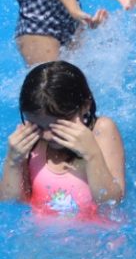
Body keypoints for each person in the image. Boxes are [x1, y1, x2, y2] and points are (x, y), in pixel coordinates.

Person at [1, 61, 125, 221]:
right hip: (41, 234)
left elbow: (111, 202)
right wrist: (12, 161)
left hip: (96, 234)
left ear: (85, 106)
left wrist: (92, 155)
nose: (47, 135)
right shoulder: (31, 139)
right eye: (38, 125)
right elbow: (12, 204)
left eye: (57, 126)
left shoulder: (100, 131)